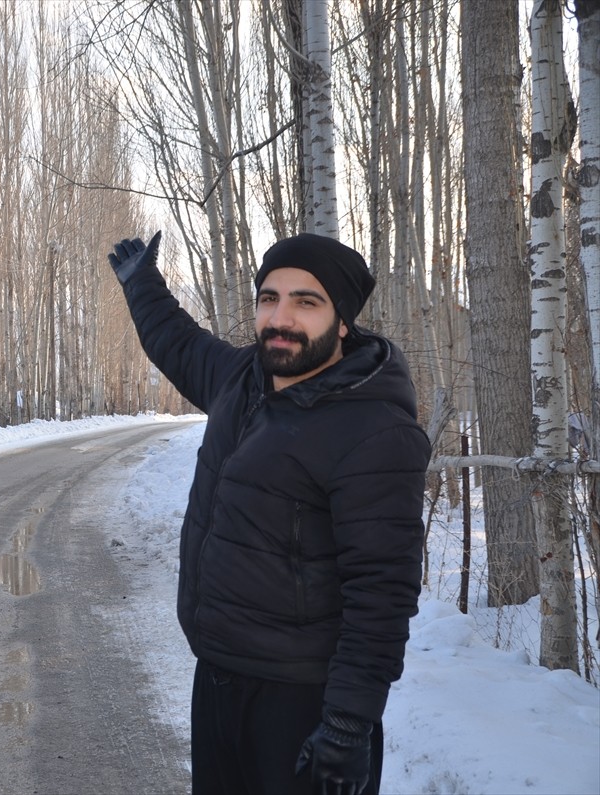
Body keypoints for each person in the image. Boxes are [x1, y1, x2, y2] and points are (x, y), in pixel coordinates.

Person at [108, 231, 431, 795]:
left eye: (306, 301)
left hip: (301, 701)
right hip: (219, 679)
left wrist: (349, 724)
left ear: (343, 321)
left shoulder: (373, 428)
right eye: (268, 298)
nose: (281, 317)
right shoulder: (243, 378)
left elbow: (382, 591)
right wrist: (142, 286)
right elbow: (178, 343)